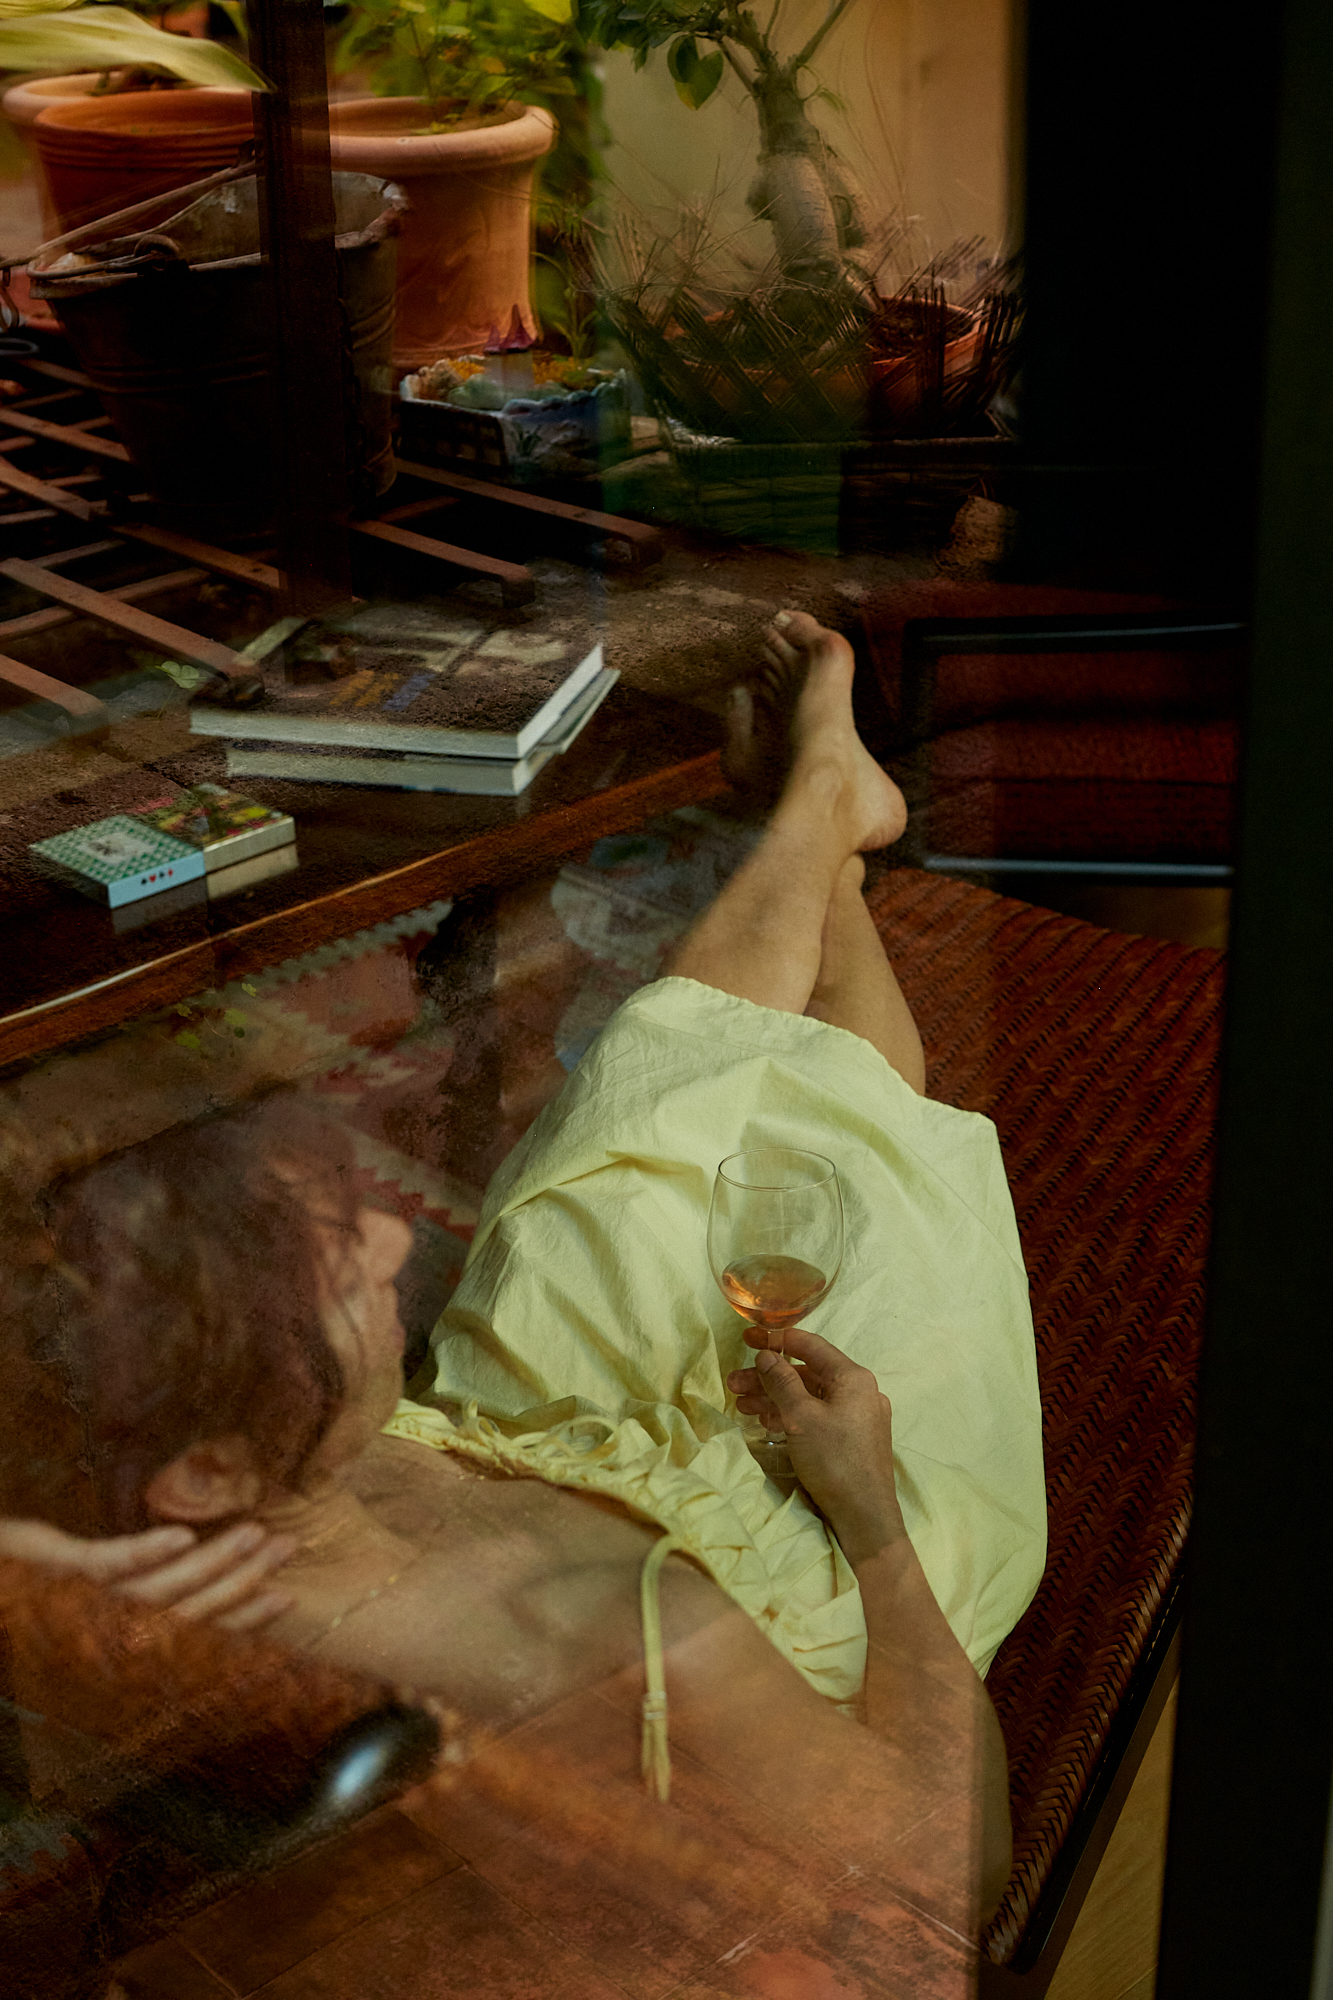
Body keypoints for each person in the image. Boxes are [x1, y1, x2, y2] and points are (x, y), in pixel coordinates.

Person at [0, 612, 1045, 1927]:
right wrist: (870, 1510)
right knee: (850, 1190)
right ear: (205, 1467)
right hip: (796, 1564)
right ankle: (825, 829)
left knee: (634, 1120)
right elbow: (956, 1875)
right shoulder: (628, 1638)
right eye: (342, 1273)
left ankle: (820, 814)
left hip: (521, 1447)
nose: (398, 1238)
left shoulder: (120, 1500)